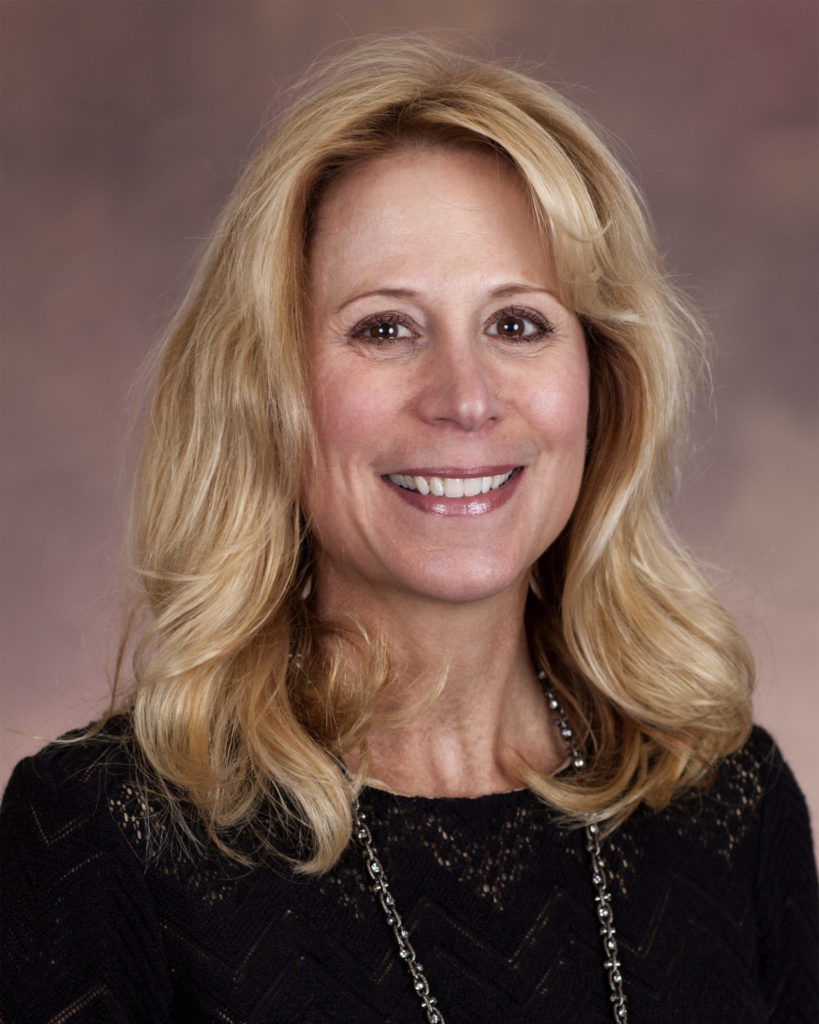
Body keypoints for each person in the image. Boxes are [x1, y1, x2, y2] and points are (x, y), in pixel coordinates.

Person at [1, 37, 816, 1024]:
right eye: (385, 328)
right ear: (269, 389)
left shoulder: (726, 807)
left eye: (518, 323)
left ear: (601, 382)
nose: (465, 398)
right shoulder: (105, 837)